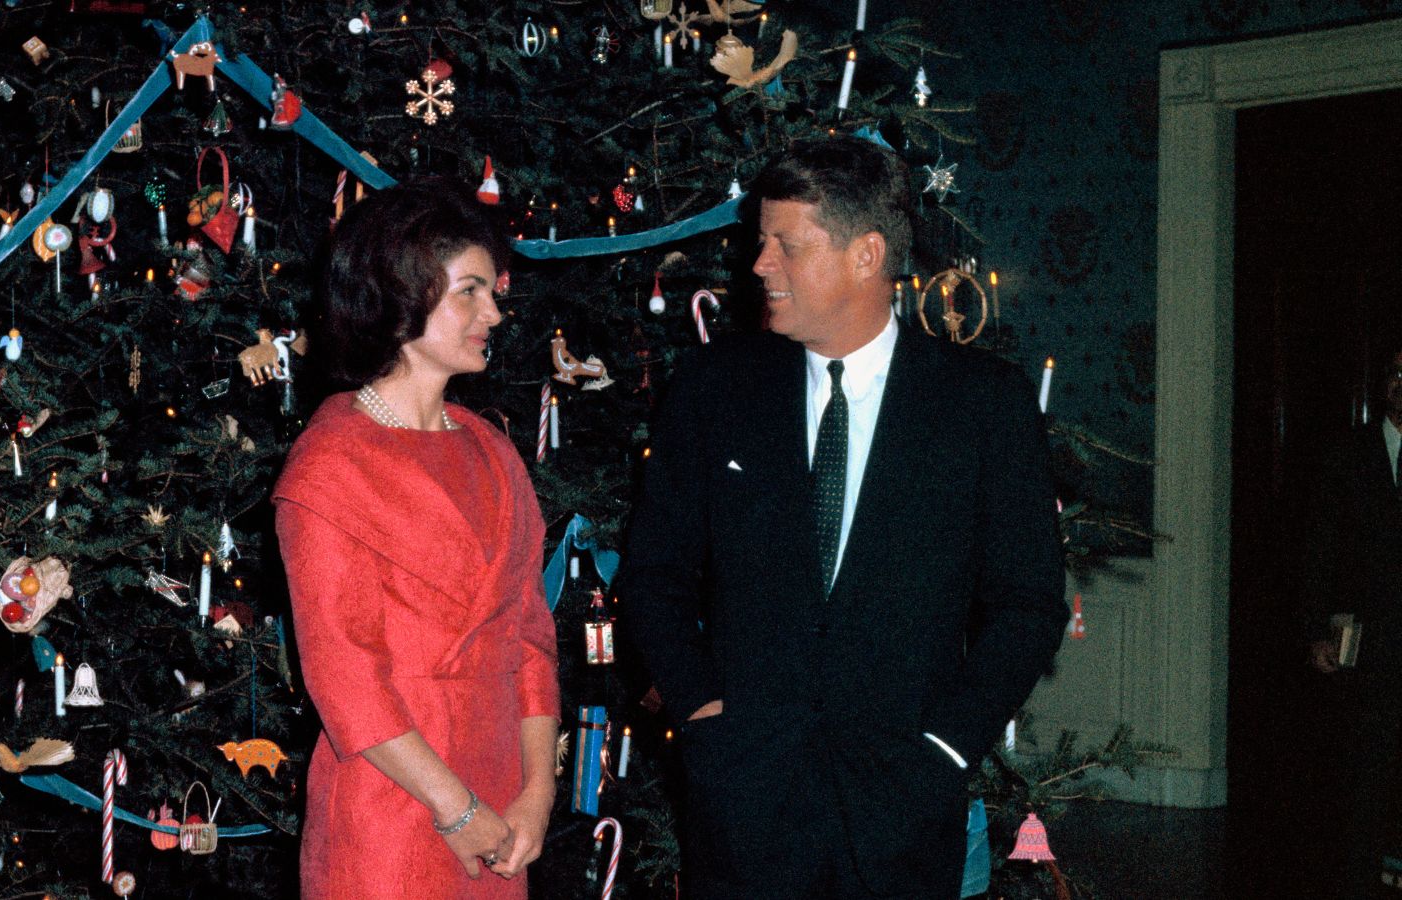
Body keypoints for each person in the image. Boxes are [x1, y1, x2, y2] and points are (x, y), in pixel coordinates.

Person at [617, 136, 1067, 898]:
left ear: (866, 256)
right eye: (761, 242)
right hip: (742, 803)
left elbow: (1028, 605)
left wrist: (948, 747)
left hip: (902, 809)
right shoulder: (714, 390)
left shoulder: (982, 405)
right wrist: (700, 710)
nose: (760, 264)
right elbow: (654, 575)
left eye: (786, 245)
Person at [274, 177, 559, 899]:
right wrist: (454, 809)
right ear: (400, 294)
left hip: (499, 810)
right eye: (470, 291)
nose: (493, 311)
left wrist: (537, 793)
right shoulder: (332, 461)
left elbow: (530, 637)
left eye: (492, 291)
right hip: (394, 804)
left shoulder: (492, 451)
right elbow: (345, 679)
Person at [1303, 348, 1402, 899]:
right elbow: (1319, 548)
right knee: (1361, 782)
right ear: (1385, 384)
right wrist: (1316, 629)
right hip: (1369, 648)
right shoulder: (1350, 453)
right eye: (1397, 374)